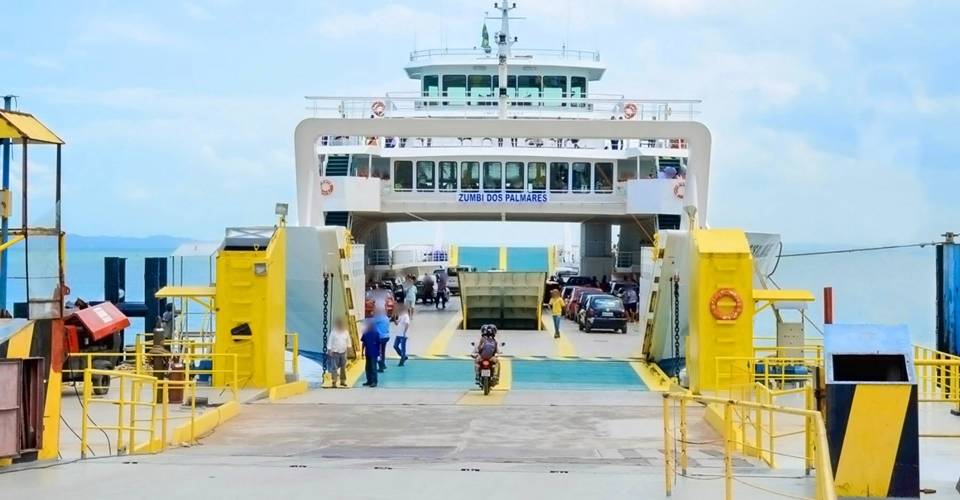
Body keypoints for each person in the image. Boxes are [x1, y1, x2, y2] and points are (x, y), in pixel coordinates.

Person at [326, 317, 352, 388]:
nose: (340, 325)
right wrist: (329, 350)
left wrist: (349, 350)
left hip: (343, 352)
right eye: (339, 324)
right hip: (335, 352)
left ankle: (342, 381)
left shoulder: (346, 332)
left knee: (343, 367)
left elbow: (348, 341)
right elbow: (330, 341)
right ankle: (334, 381)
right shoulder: (333, 332)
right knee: (334, 367)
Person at [360, 319, 380, 387]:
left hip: (373, 353)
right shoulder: (365, 334)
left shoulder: (376, 334)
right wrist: (362, 352)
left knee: (373, 367)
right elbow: (363, 343)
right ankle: (369, 381)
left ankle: (374, 381)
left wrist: (379, 353)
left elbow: (378, 344)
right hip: (368, 353)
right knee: (368, 367)